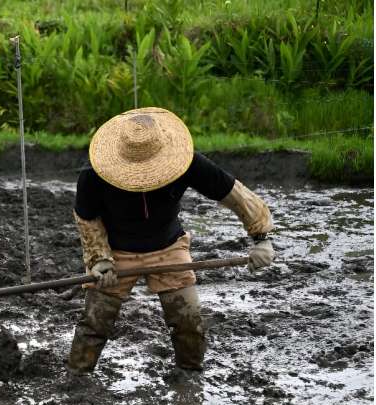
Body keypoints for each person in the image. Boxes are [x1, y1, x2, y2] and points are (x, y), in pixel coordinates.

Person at [68, 107, 275, 375]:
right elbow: (87, 218)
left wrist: (261, 237)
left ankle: (189, 375)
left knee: (188, 319)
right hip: (116, 252)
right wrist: (99, 260)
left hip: (169, 247)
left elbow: (233, 193)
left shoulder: (184, 161)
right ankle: (76, 379)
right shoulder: (95, 173)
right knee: (95, 322)